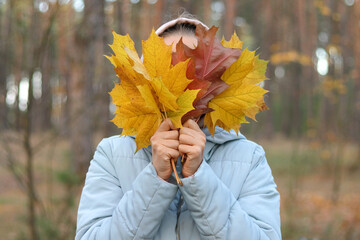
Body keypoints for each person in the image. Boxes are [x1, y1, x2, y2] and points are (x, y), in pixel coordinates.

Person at [75, 17, 281, 240]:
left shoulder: (249, 158)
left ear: (215, 77)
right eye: (168, 66)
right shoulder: (112, 154)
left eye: (193, 67)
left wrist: (199, 178)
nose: (180, 80)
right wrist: (156, 178)